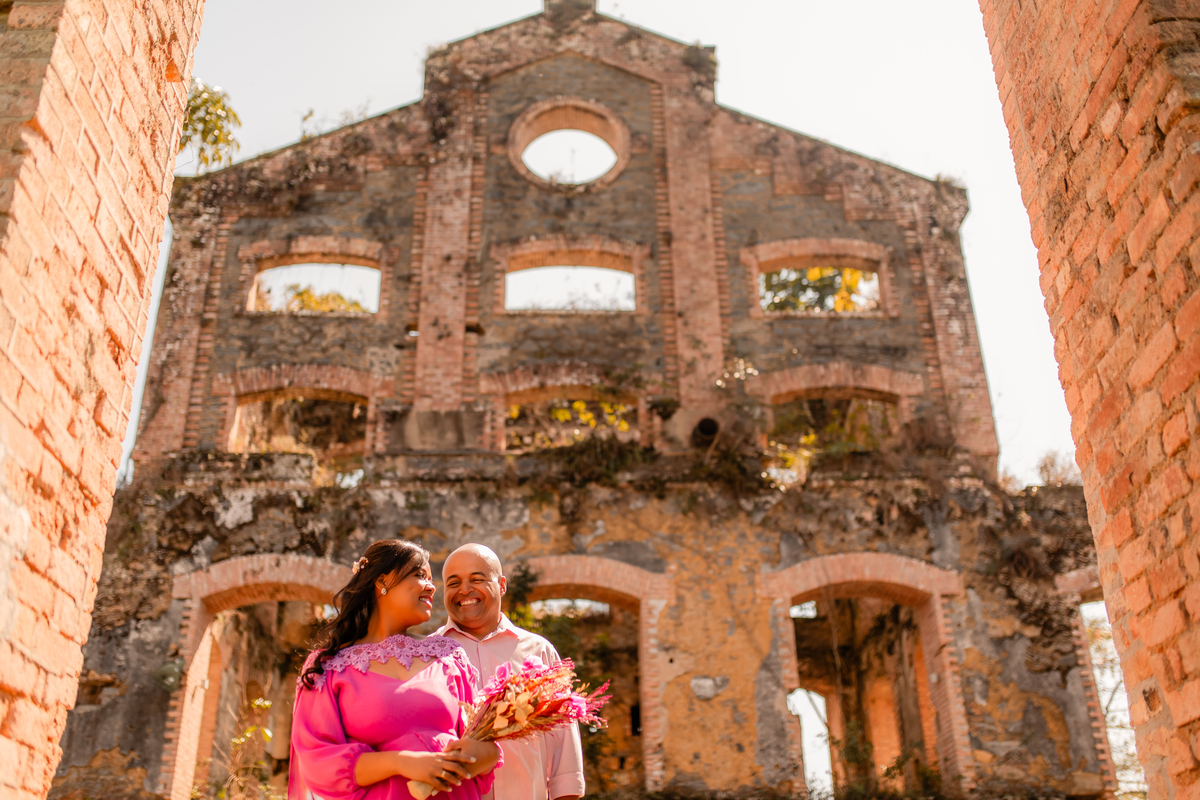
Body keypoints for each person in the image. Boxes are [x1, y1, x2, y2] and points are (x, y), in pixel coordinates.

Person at [289, 539, 502, 800]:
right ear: (383, 582)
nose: (432, 586)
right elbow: (317, 760)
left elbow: (487, 748)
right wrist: (401, 762)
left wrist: (478, 754)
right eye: (420, 575)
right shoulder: (328, 667)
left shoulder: (450, 656)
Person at [436, 544, 585, 800]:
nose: (464, 589)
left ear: (502, 584)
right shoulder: (427, 655)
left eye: (476, 579)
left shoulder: (539, 652)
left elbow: (564, 749)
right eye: (453, 582)